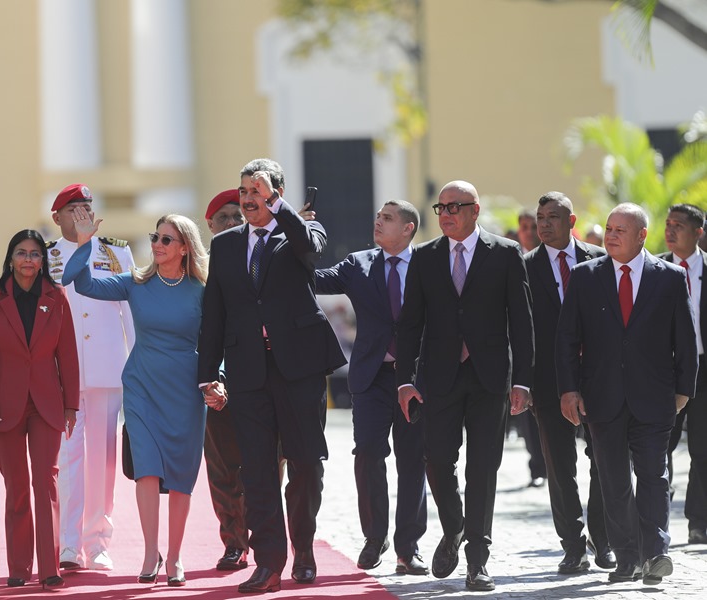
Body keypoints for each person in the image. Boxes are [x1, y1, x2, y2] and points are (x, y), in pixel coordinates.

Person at [198, 158, 347, 594]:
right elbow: (214, 315)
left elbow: (311, 249)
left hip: (299, 369)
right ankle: (268, 562)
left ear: (276, 193)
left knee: (305, 465)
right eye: (243, 192)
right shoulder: (225, 246)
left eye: (256, 191)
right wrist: (208, 374)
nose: (247, 200)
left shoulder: (301, 230)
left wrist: (282, 209)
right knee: (257, 470)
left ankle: (303, 548)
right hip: (248, 371)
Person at [396, 180, 534, 592]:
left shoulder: (506, 254)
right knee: (437, 461)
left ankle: (477, 560)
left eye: (455, 206)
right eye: (441, 208)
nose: (447, 214)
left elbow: (522, 324)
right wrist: (405, 380)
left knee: (483, 469)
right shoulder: (424, 257)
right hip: (439, 377)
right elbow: (410, 324)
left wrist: (523, 380)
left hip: (490, 377)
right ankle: (455, 526)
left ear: (475, 210)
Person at [63, 211, 208, 587]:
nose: (156, 245)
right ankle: (149, 552)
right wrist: (82, 243)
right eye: (154, 237)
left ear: (184, 248)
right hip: (142, 386)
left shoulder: (203, 290)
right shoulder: (136, 282)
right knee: (146, 467)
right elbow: (81, 285)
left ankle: (174, 556)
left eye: (165, 239)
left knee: (180, 475)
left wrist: (217, 378)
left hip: (186, 389)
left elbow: (216, 341)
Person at [556, 202, 698, 586]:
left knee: (654, 475)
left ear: (641, 236)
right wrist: (568, 390)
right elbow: (567, 338)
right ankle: (627, 557)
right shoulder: (585, 277)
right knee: (613, 479)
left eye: (621, 229)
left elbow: (685, 339)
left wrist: (684, 390)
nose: (611, 235)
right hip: (601, 397)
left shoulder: (668, 278)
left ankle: (656, 552)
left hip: (655, 398)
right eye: (609, 228)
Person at [315, 200, 428, 575]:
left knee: (413, 459)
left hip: (415, 377)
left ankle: (408, 546)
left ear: (408, 228)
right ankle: (374, 537)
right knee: (367, 455)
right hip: (372, 377)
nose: (378, 222)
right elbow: (314, 280)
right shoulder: (357, 263)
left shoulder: (429, 264)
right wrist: (295, 236)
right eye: (378, 217)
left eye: (388, 219)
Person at [0, 229, 79, 589]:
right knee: (16, 485)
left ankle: (50, 568)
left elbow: (68, 354)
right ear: (10, 258)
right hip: (5, 406)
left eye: (35, 253)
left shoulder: (57, 296)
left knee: (45, 481)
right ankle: (18, 567)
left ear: (43, 260)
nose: (29, 259)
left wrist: (71, 405)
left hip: (47, 404)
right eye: (21, 253)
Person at [46, 184, 135, 571]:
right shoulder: (46, 255)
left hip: (105, 368)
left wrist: (138, 364)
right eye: (74, 209)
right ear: (58, 218)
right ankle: (68, 544)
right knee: (68, 458)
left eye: (86, 208)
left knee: (103, 460)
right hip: (61, 373)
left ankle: (97, 541)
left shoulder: (115, 251)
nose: (83, 214)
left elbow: (129, 310)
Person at [524, 192, 613, 574]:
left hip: (599, 379)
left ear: (571, 221)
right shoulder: (524, 267)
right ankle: (573, 546)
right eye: (540, 217)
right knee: (560, 467)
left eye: (553, 217)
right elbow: (520, 329)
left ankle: (603, 539)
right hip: (548, 382)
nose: (544, 224)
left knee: (605, 463)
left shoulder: (599, 260)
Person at [201, 188, 250, 571]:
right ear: (210, 225)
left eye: (239, 217)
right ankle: (233, 541)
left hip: (258, 381)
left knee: (263, 468)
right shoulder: (194, 272)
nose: (233, 224)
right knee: (222, 470)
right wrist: (213, 379)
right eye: (224, 219)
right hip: (213, 384)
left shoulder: (258, 262)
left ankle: (262, 538)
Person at [659, 204, 707, 545]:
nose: (671, 230)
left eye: (679, 225)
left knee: (703, 452)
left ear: (698, 232)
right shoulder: (655, 268)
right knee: (658, 448)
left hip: (704, 373)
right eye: (668, 224)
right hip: (664, 373)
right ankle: (656, 519)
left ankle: (698, 522)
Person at [514, 209, 546, 488]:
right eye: (523, 226)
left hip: (549, 348)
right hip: (522, 350)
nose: (528, 231)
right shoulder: (513, 260)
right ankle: (537, 466)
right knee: (527, 414)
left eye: (532, 226)